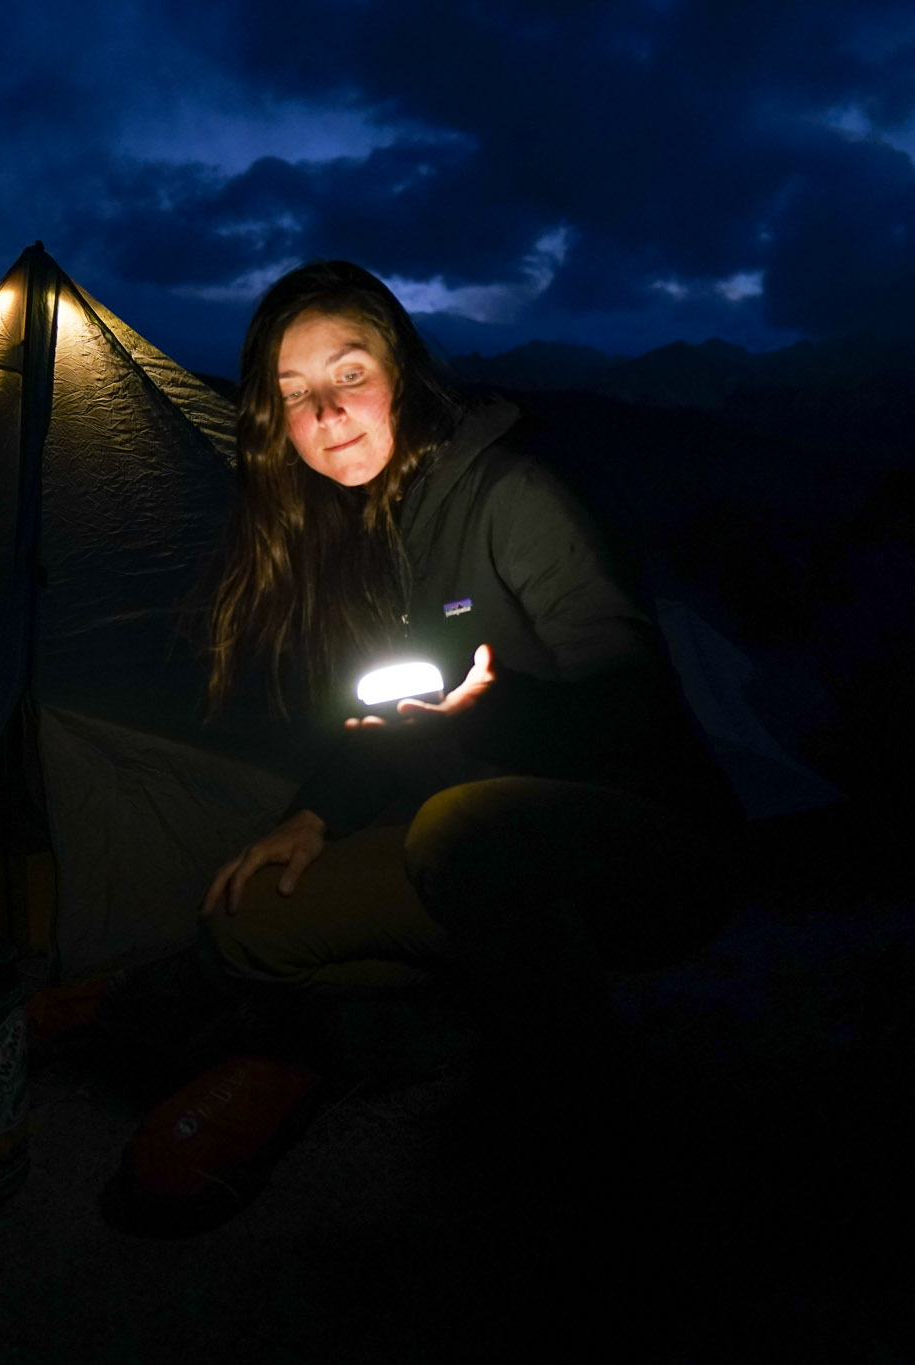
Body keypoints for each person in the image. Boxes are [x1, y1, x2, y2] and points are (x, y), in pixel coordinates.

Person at [184, 259, 747, 1131]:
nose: (325, 412)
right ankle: (472, 1011)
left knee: (457, 822)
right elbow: (386, 717)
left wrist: (502, 712)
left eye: (350, 375)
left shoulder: (511, 494)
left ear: (401, 376)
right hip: (486, 857)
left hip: (648, 848)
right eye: (294, 393)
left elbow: (641, 712)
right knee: (247, 922)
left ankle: (595, 1115)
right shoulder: (355, 529)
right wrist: (315, 816)